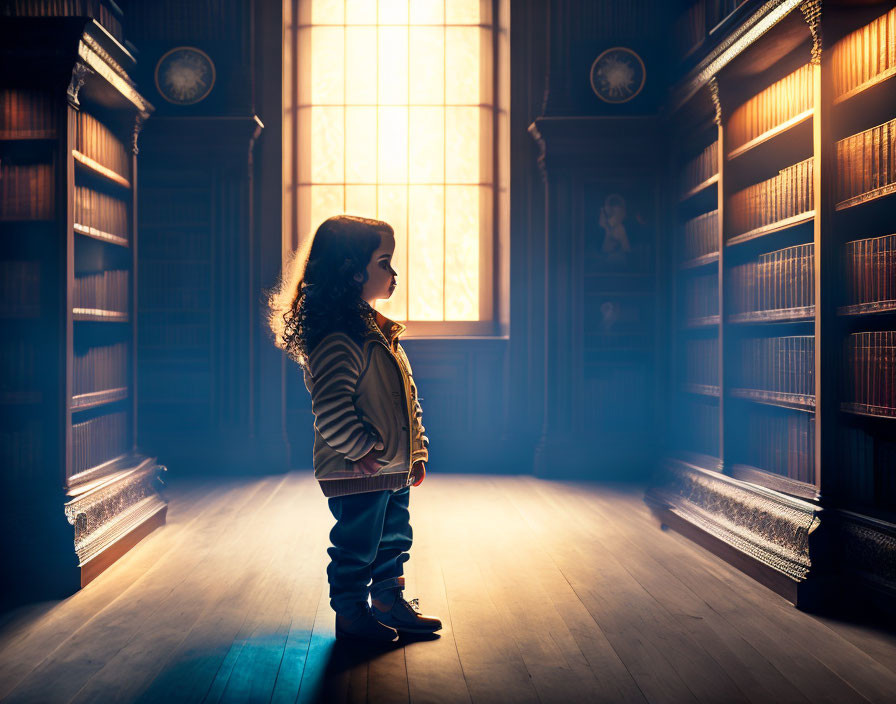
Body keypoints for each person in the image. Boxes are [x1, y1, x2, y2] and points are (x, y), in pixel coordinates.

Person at [267, 214, 442, 644]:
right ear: (351, 269)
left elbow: (406, 399)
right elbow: (329, 406)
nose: (393, 273)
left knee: (392, 537)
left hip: (390, 467)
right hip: (358, 469)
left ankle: (387, 602)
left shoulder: (377, 332)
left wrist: (415, 451)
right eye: (384, 262)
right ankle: (350, 614)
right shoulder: (341, 338)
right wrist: (360, 448)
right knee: (357, 545)